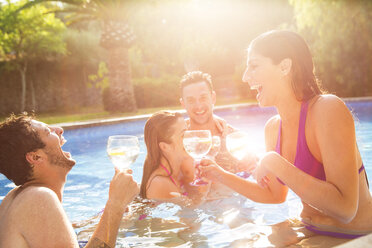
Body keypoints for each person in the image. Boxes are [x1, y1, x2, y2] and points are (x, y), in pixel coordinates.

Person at [200, 30, 372, 243]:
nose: (245, 77)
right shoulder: (273, 128)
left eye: (253, 66)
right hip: (309, 229)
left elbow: (345, 209)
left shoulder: (327, 109)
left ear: (284, 67)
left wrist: (272, 161)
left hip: (356, 237)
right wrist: (219, 174)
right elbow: (274, 195)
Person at [0, 114, 139, 248]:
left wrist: (100, 220)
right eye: (48, 132)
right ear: (36, 157)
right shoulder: (38, 197)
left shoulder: (14, 197)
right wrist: (115, 205)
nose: (59, 130)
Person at [179, 71, 255, 199]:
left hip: (232, 207)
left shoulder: (233, 137)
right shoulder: (176, 139)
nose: (198, 106)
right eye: (191, 100)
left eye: (203, 98)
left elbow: (253, 173)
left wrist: (251, 165)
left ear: (213, 98)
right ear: (183, 104)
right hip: (191, 210)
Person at [140, 111, 210, 204]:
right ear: (165, 147)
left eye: (188, 132)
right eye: (183, 135)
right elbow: (189, 215)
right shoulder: (160, 184)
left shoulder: (181, 169)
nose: (192, 140)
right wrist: (204, 193)